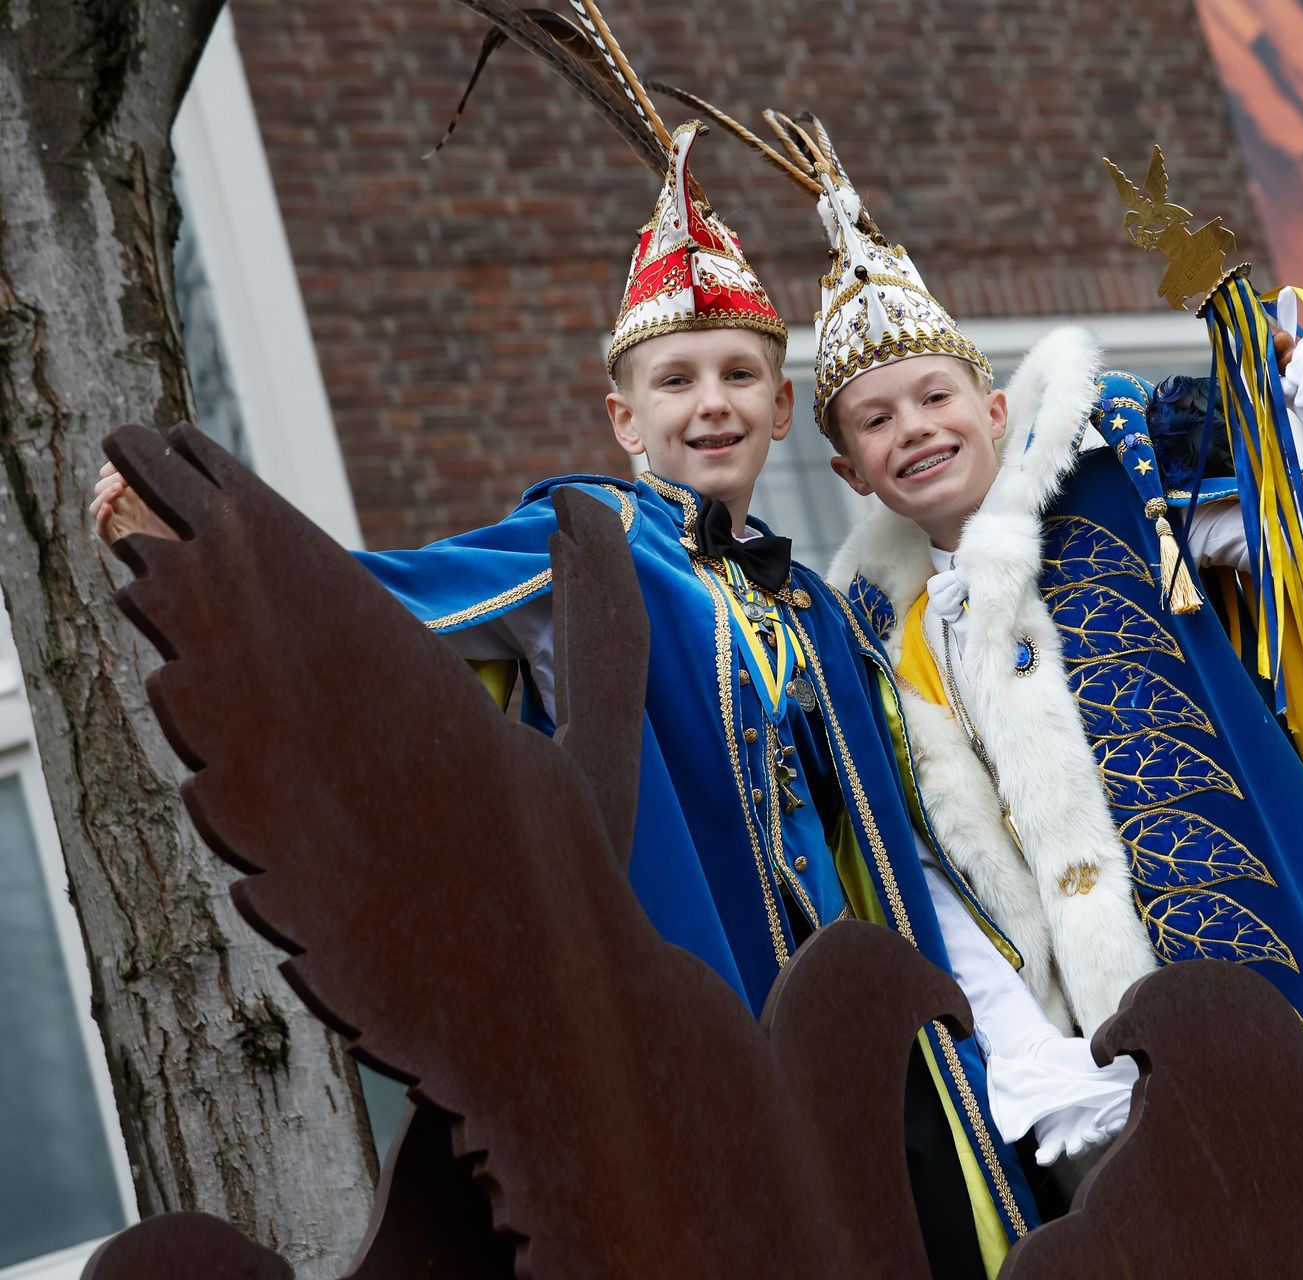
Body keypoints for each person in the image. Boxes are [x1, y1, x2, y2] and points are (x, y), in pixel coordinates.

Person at [91, 41, 1134, 1277]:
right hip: (706, 1012)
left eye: (742, 373)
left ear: (785, 407)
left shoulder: (816, 603)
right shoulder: (589, 539)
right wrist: (216, 542)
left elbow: (902, 829)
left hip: (880, 1027)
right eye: (675, 379)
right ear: (621, 417)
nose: (713, 403)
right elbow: (382, 613)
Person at [714, 110, 1303, 1279]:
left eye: (934, 397)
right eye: (875, 421)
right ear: (846, 471)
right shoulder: (878, 642)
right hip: (1110, 1079)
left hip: (1274, 974)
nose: (913, 431)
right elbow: (925, 875)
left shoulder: (1122, 466)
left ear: (991, 401)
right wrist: (1033, 1061)